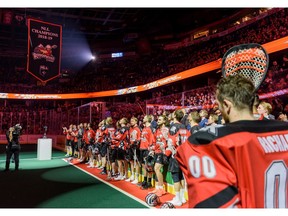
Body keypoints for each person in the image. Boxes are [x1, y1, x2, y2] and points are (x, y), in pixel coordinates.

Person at [176, 74, 288, 208]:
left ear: (226, 105)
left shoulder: (210, 141)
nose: (218, 110)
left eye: (218, 105)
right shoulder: (284, 130)